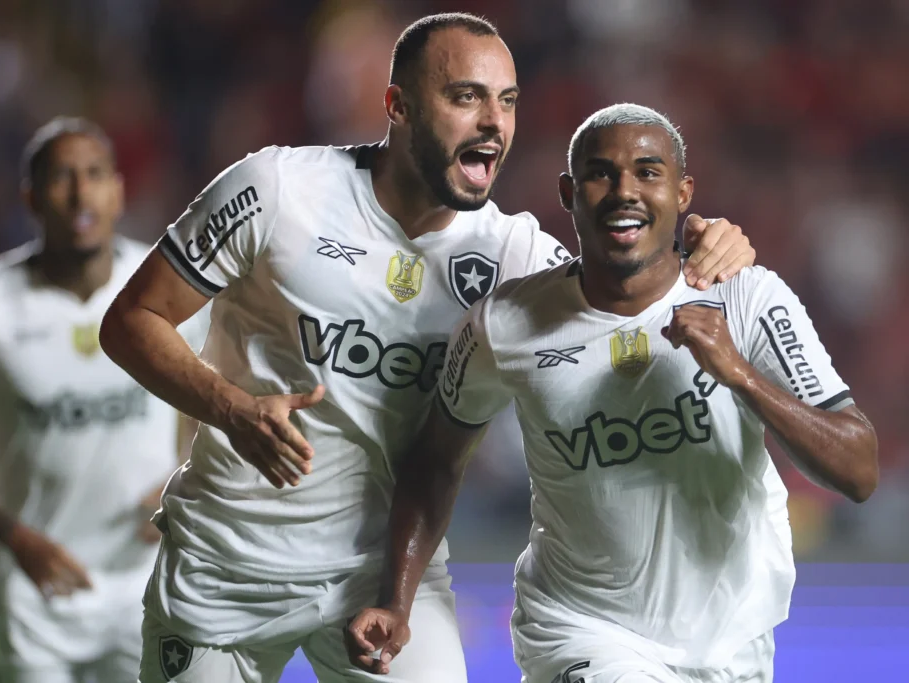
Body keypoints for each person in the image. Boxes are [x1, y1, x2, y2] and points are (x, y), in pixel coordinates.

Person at [98, 15, 756, 683]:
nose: (493, 122)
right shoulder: (276, 189)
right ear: (399, 106)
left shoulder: (513, 255)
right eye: (466, 96)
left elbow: (634, 309)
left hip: (386, 576)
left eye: (507, 101)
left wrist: (703, 250)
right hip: (226, 566)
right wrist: (232, 408)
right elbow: (131, 320)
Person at [346, 103, 879, 683]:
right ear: (568, 193)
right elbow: (435, 461)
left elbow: (858, 469)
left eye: (648, 172)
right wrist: (396, 599)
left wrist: (741, 375)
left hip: (732, 640)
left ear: (683, 192)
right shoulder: (503, 324)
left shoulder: (746, 297)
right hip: (580, 630)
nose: (625, 191)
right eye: (602, 173)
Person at [0, 117, 208, 683]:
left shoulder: (163, 286)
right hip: (33, 592)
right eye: (62, 177)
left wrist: (183, 475)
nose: (80, 193)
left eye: (94, 175)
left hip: (145, 582)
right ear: (31, 198)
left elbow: (210, 400)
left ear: (118, 191)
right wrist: (16, 538)